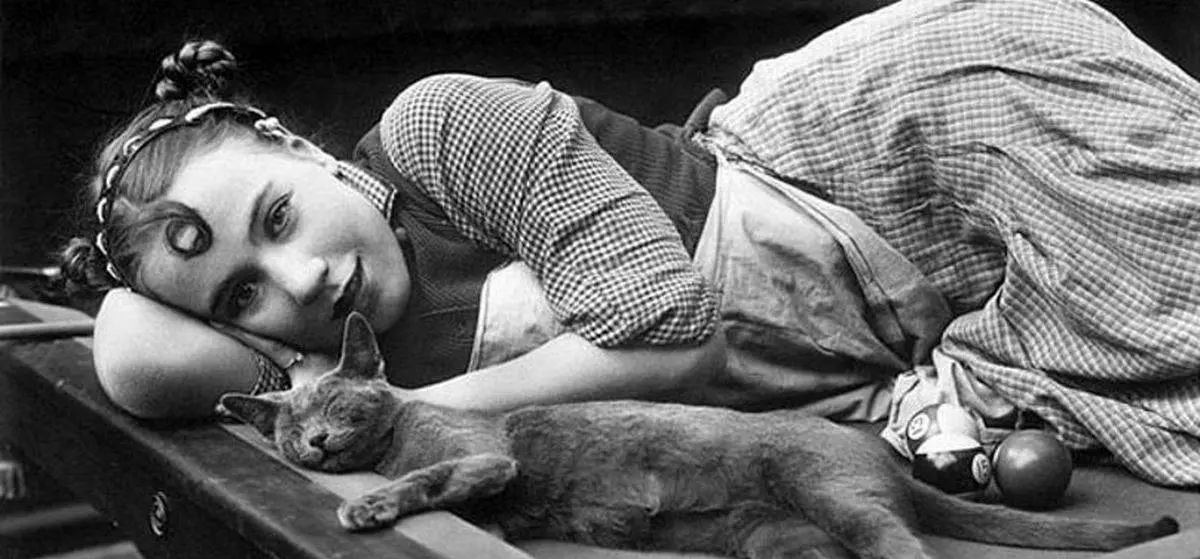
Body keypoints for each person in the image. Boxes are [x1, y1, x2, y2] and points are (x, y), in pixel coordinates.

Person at [60, 0, 1200, 487]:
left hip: (898, 148)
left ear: (307, 152)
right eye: (241, 296)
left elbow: (669, 335)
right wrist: (265, 343)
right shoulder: (332, 358)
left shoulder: (439, 128)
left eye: (278, 217)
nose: (302, 277)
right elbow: (130, 352)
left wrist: (419, 407)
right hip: (886, 315)